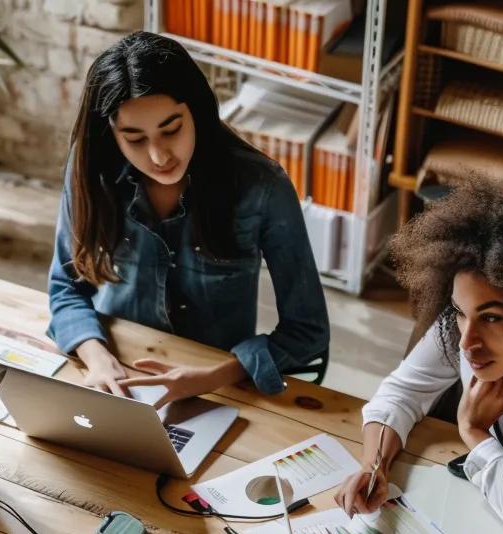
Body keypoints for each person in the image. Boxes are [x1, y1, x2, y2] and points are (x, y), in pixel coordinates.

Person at [48, 31, 329, 403]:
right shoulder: (90, 170)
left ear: (195, 110)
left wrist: (217, 375)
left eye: (172, 129)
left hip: (219, 388)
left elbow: (308, 331)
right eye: (134, 138)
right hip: (115, 376)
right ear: (111, 135)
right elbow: (66, 288)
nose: (159, 156)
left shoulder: (262, 187)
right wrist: (98, 359)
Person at [335, 164, 503, 534]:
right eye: (460, 311)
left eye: (492, 317)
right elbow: (399, 394)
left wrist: (474, 432)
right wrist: (373, 466)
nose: (467, 341)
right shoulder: (458, 329)